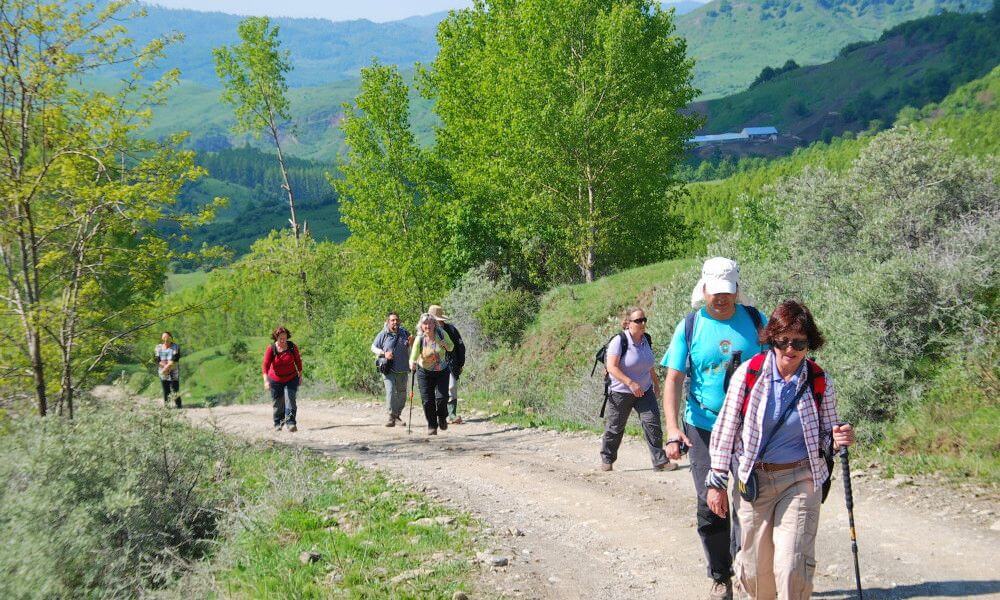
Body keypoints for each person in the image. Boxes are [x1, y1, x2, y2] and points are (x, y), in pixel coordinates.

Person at [706, 300, 854, 600]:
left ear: (809, 344)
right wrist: (717, 482)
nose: (790, 349)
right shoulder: (750, 374)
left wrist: (839, 437)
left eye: (799, 342)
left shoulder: (818, 380)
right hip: (753, 481)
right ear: (771, 339)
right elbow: (726, 429)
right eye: (783, 340)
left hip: (801, 478)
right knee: (755, 570)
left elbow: (828, 432)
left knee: (792, 566)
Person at [660, 257, 767, 600]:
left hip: (749, 427)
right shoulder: (690, 326)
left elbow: (779, 367)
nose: (720, 298)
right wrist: (673, 428)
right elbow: (673, 380)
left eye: (727, 291)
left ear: (737, 290)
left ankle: (743, 570)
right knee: (711, 502)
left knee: (748, 500)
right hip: (703, 426)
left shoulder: (755, 321)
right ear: (703, 289)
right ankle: (720, 575)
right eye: (714, 292)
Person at [599, 307, 674, 472]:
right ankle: (607, 459)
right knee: (615, 427)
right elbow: (611, 367)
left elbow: (648, 364)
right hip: (621, 392)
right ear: (627, 323)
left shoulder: (646, 339)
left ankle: (660, 461)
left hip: (644, 390)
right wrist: (630, 383)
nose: (643, 323)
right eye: (638, 320)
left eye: (644, 320)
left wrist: (655, 383)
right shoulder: (619, 341)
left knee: (652, 424)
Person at [409, 312, 454, 435]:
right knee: (427, 400)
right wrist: (412, 363)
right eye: (425, 323)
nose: (427, 326)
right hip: (424, 372)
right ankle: (432, 425)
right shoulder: (420, 339)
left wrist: (446, 344)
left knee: (442, 398)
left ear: (434, 324)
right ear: (421, 326)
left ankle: (442, 417)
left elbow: (451, 347)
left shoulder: (441, 334)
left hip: (442, 371)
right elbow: (413, 356)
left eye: (430, 323)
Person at [371, 312, 412, 427]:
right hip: (388, 369)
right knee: (390, 392)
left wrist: (411, 343)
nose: (395, 322)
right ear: (388, 322)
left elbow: (411, 346)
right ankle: (391, 416)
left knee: (402, 394)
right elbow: (373, 347)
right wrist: (384, 353)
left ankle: (397, 416)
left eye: (396, 320)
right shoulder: (383, 334)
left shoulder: (404, 333)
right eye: (392, 320)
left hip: (403, 368)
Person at [427, 304, 466, 424]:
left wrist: (460, 364)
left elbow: (460, 347)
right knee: (436, 391)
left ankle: (452, 414)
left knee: (451, 388)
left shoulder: (451, 330)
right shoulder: (426, 331)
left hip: (450, 364)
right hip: (432, 365)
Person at [262, 325, 303, 432]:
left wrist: (300, 374)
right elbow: (265, 365)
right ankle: (278, 423)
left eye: (285, 338)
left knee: (290, 399)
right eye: (281, 338)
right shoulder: (271, 349)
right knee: (278, 402)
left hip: (291, 377)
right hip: (275, 379)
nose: (283, 340)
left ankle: (290, 423)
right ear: (276, 338)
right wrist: (266, 381)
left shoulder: (292, 347)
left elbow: (298, 361)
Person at [154, 331, 181, 408]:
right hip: (162, 370)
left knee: (175, 388)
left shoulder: (175, 346)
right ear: (162, 338)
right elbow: (157, 359)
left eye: (167, 337)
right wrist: (164, 367)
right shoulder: (158, 347)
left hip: (173, 370)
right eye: (164, 337)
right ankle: (167, 406)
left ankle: (178, 405)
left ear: (171, 338)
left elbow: (175, 358)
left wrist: (167, 367)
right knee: (166, 389)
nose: (166, 339)